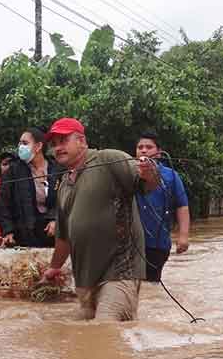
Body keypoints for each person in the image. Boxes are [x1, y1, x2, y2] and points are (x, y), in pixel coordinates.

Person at [39, 118, 158, 321]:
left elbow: (147, 184)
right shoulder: (64, 185)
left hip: (121, 271)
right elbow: (64, 237)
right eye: (54, 143)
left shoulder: (108, 159)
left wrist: (148, 172)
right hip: (86, 280)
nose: (58, 147)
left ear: (82, 141)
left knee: (105, 330)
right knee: (80, 339)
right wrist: (54, 268)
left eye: (63, 140)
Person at [134, 131, 190, 283]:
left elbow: (182, 206)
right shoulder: (128, 172)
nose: (143, 150)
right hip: (131, 243)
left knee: (150, 286)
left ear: (158, 153)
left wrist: (183, 236)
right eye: (140, 147)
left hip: (158, 243)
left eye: (149, 147)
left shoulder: (171, 176)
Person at [0, 128, 65, 248]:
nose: (20, 147)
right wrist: (8, 230)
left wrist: (56, 219)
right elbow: (2, 204)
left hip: (54, 236)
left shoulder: (57, 169)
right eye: (20, 143)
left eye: (25, 143)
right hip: (23, 237)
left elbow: (66, 200)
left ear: (38, 147)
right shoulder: (13, 171)